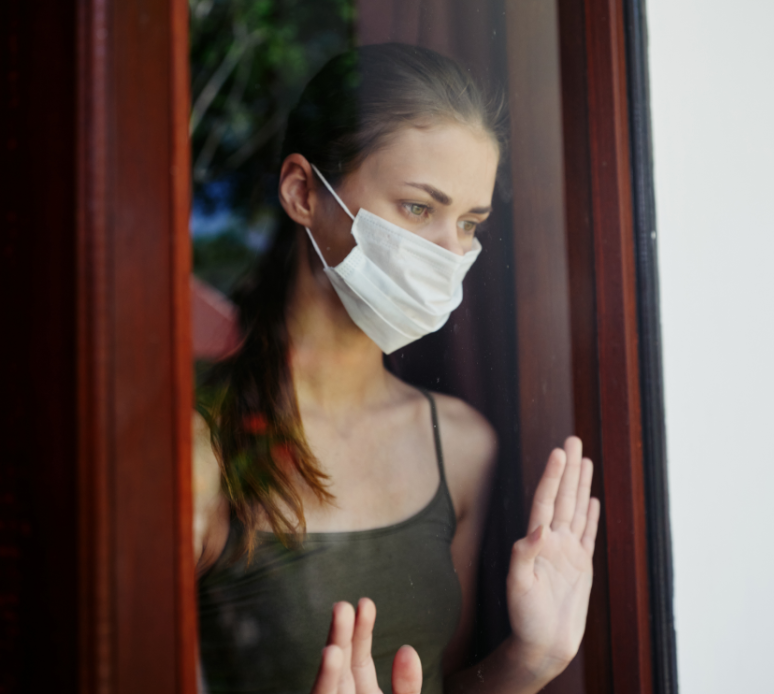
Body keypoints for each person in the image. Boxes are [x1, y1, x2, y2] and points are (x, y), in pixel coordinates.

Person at [193, 43, 600, 694]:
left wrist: (532, 658)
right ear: (303, 192)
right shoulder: (200, 446)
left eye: (470, 222)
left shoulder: (462, 446)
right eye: (418, 208)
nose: (450, 253)